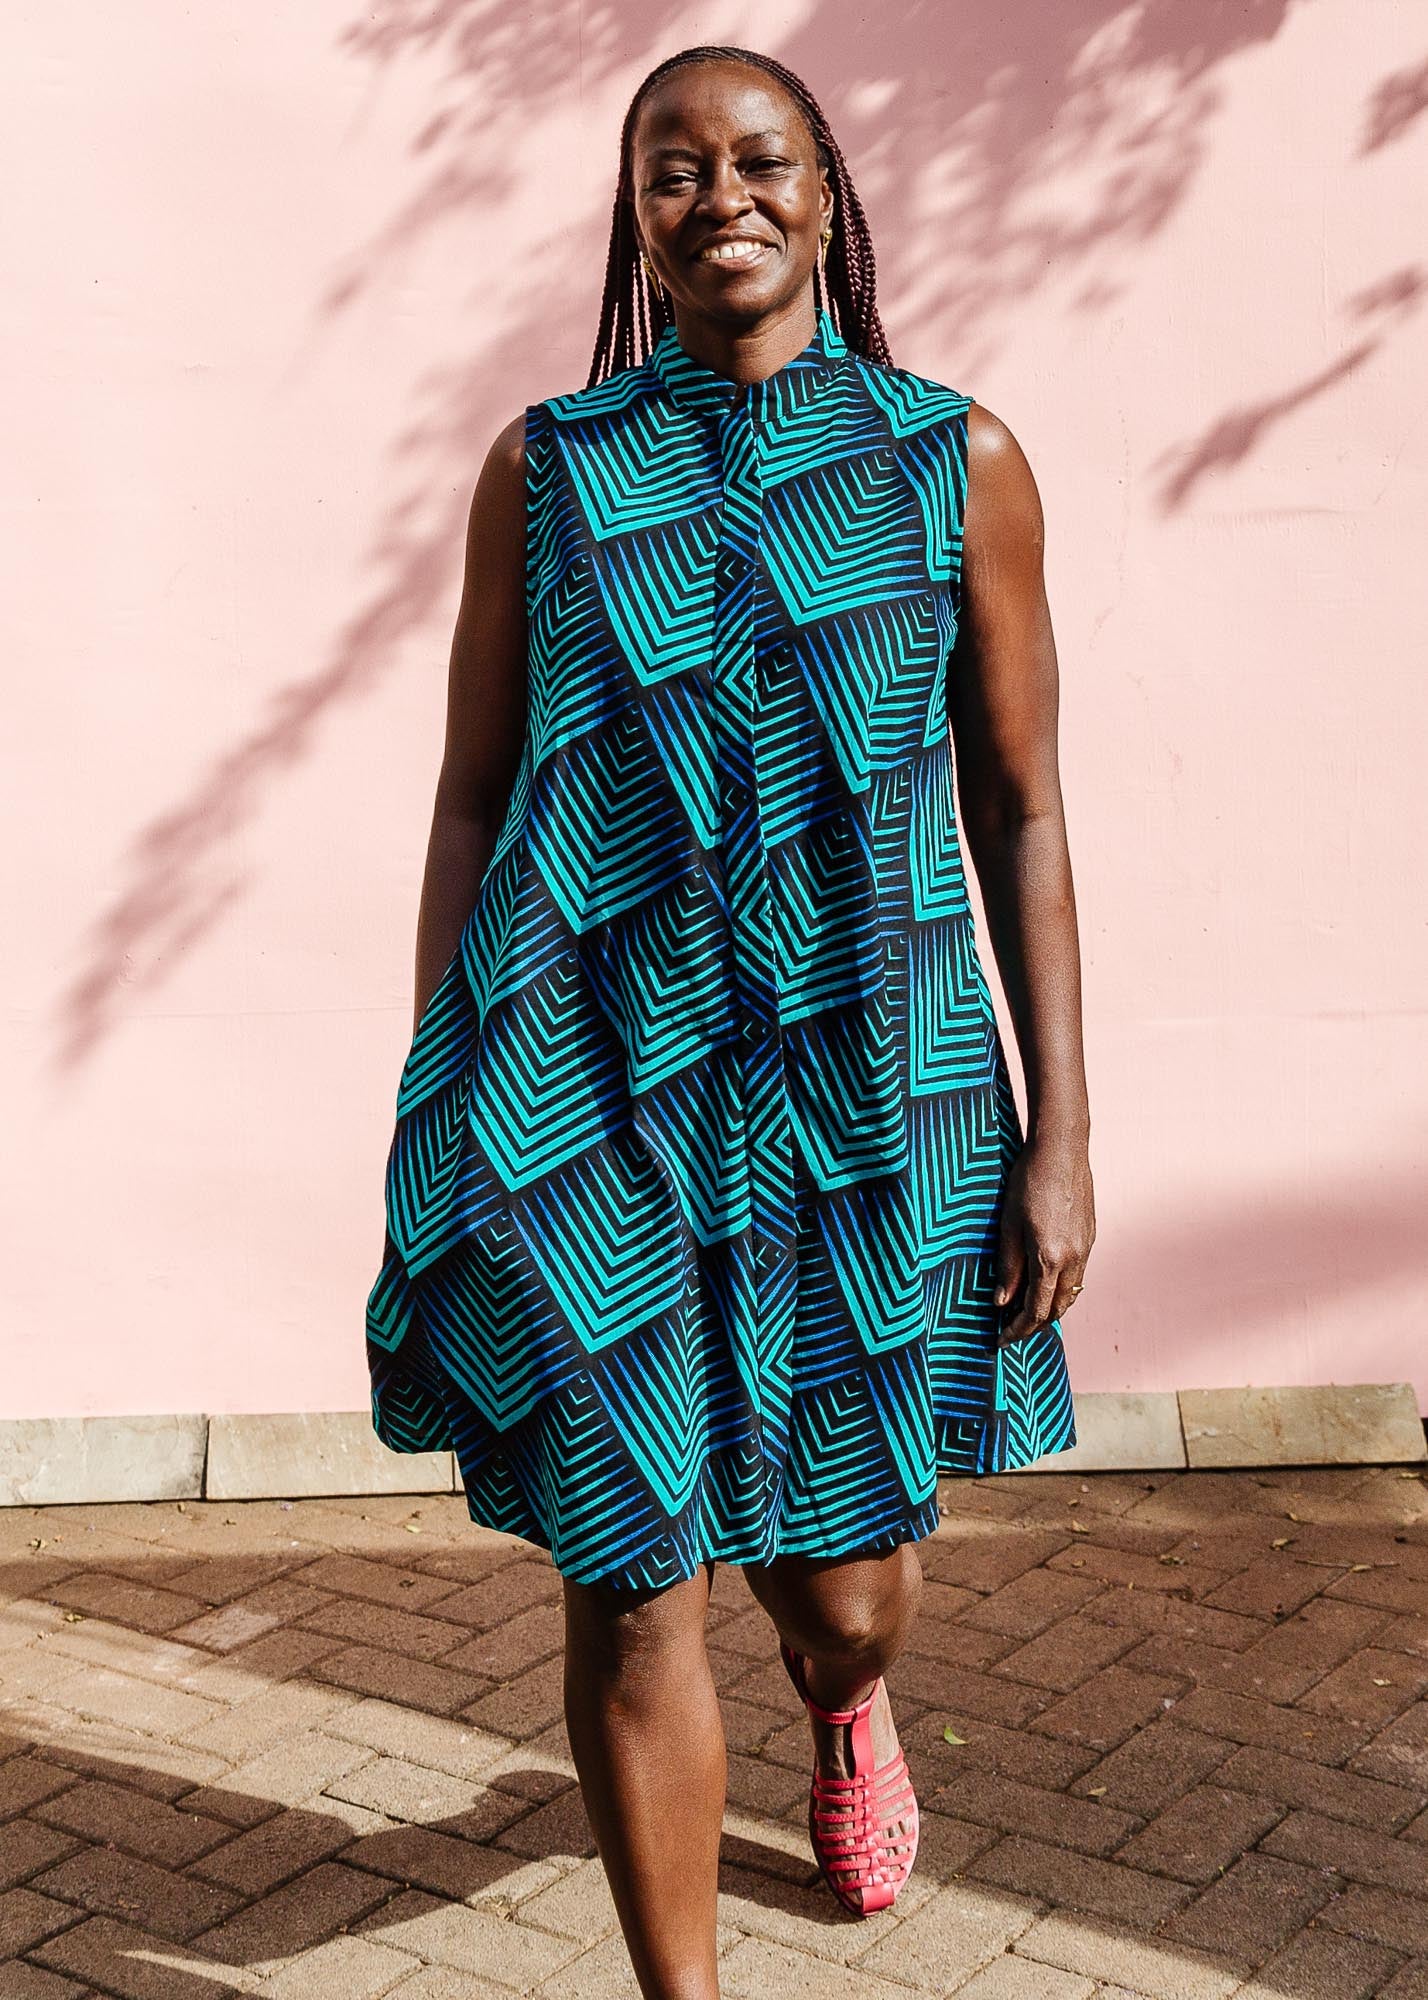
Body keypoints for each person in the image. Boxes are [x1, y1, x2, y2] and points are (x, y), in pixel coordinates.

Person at [365, 40, 1094, 1998]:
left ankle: (847, 1706)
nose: (719, 197)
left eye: (758, 159)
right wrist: (446, 1081)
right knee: (631, 1585)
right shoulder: (553, 469)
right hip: (599, 1093)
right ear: (634, 215)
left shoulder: (958, 459)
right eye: (671, 169)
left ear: (829, 193)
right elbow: (470, 790)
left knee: (843, 1588)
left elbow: (1019, 805)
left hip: (874, 1092)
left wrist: (1061, 1133)